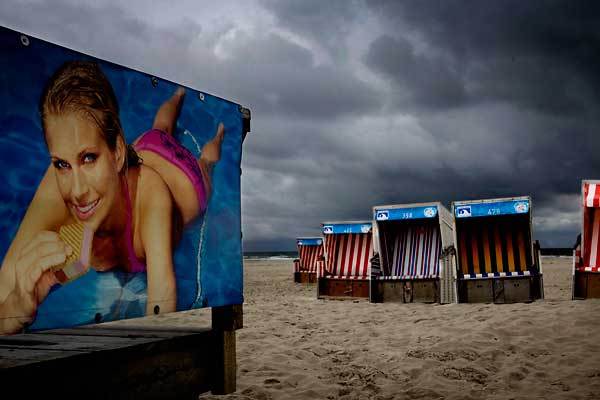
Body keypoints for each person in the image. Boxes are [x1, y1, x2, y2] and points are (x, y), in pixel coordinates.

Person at [0, 61, 224, 335]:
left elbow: (162, 297)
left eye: (89, 158)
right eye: (61, 164)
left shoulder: (152, 195)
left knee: (207, 160)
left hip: (185, 179)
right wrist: (12, 312)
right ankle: (176, 95)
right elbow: (4, 290)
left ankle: (218, 132)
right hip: (145, 147)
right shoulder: (63, 180)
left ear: (117, 152)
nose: (77, 190)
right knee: (162, 126)